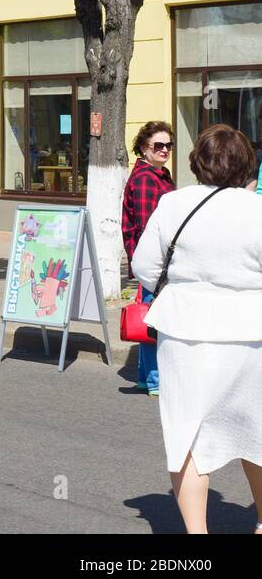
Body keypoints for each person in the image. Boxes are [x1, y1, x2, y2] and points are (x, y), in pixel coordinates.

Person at [132, 124, 262, 535]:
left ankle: (197, 534)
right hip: (251, 333)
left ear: (198, 162)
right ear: (246, 164)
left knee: (186, 432)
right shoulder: (256, 209)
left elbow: (144, 267)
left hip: (185, 331)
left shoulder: (173, 204)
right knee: (257, 431)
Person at [122, 120, 176, 396]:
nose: (165, 149)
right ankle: (155, 380)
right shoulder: (145, 179)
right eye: (159, 145)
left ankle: (146, 377)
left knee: (148, 316)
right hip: (153, 261)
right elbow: (147, 227)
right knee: (153, 319)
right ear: (144, 148)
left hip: (154, 262)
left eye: (169, 145)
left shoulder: (158, 174)